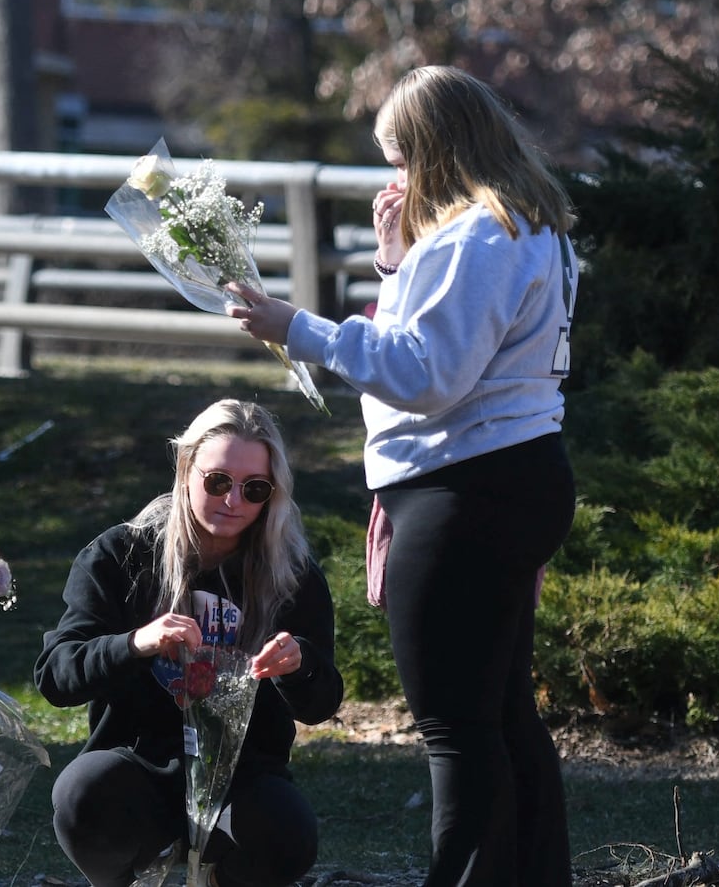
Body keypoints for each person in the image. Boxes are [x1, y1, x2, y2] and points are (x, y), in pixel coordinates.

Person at [227, 65, 579, 886]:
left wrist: (302, 329)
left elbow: (428, 376)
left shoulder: (478, 236)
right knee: (503, 716)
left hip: (466, 490)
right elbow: (457, 346)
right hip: (509, 477)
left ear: (440, 151)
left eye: (402, 160)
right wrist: (393, 267)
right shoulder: (526, 227)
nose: (396, 179)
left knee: (457, 727)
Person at [35, 399, 343, 887]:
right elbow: (56, 676)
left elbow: (322, 703)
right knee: (83, 794)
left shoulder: (293, 575)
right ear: (185, 470)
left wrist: (298, 666)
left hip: (244, 778)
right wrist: (135, 642)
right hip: (136, 762)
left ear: (273, 494)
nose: (233, 500)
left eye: (255, 488)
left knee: (288, 834)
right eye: (217, 481)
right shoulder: (121, 554)